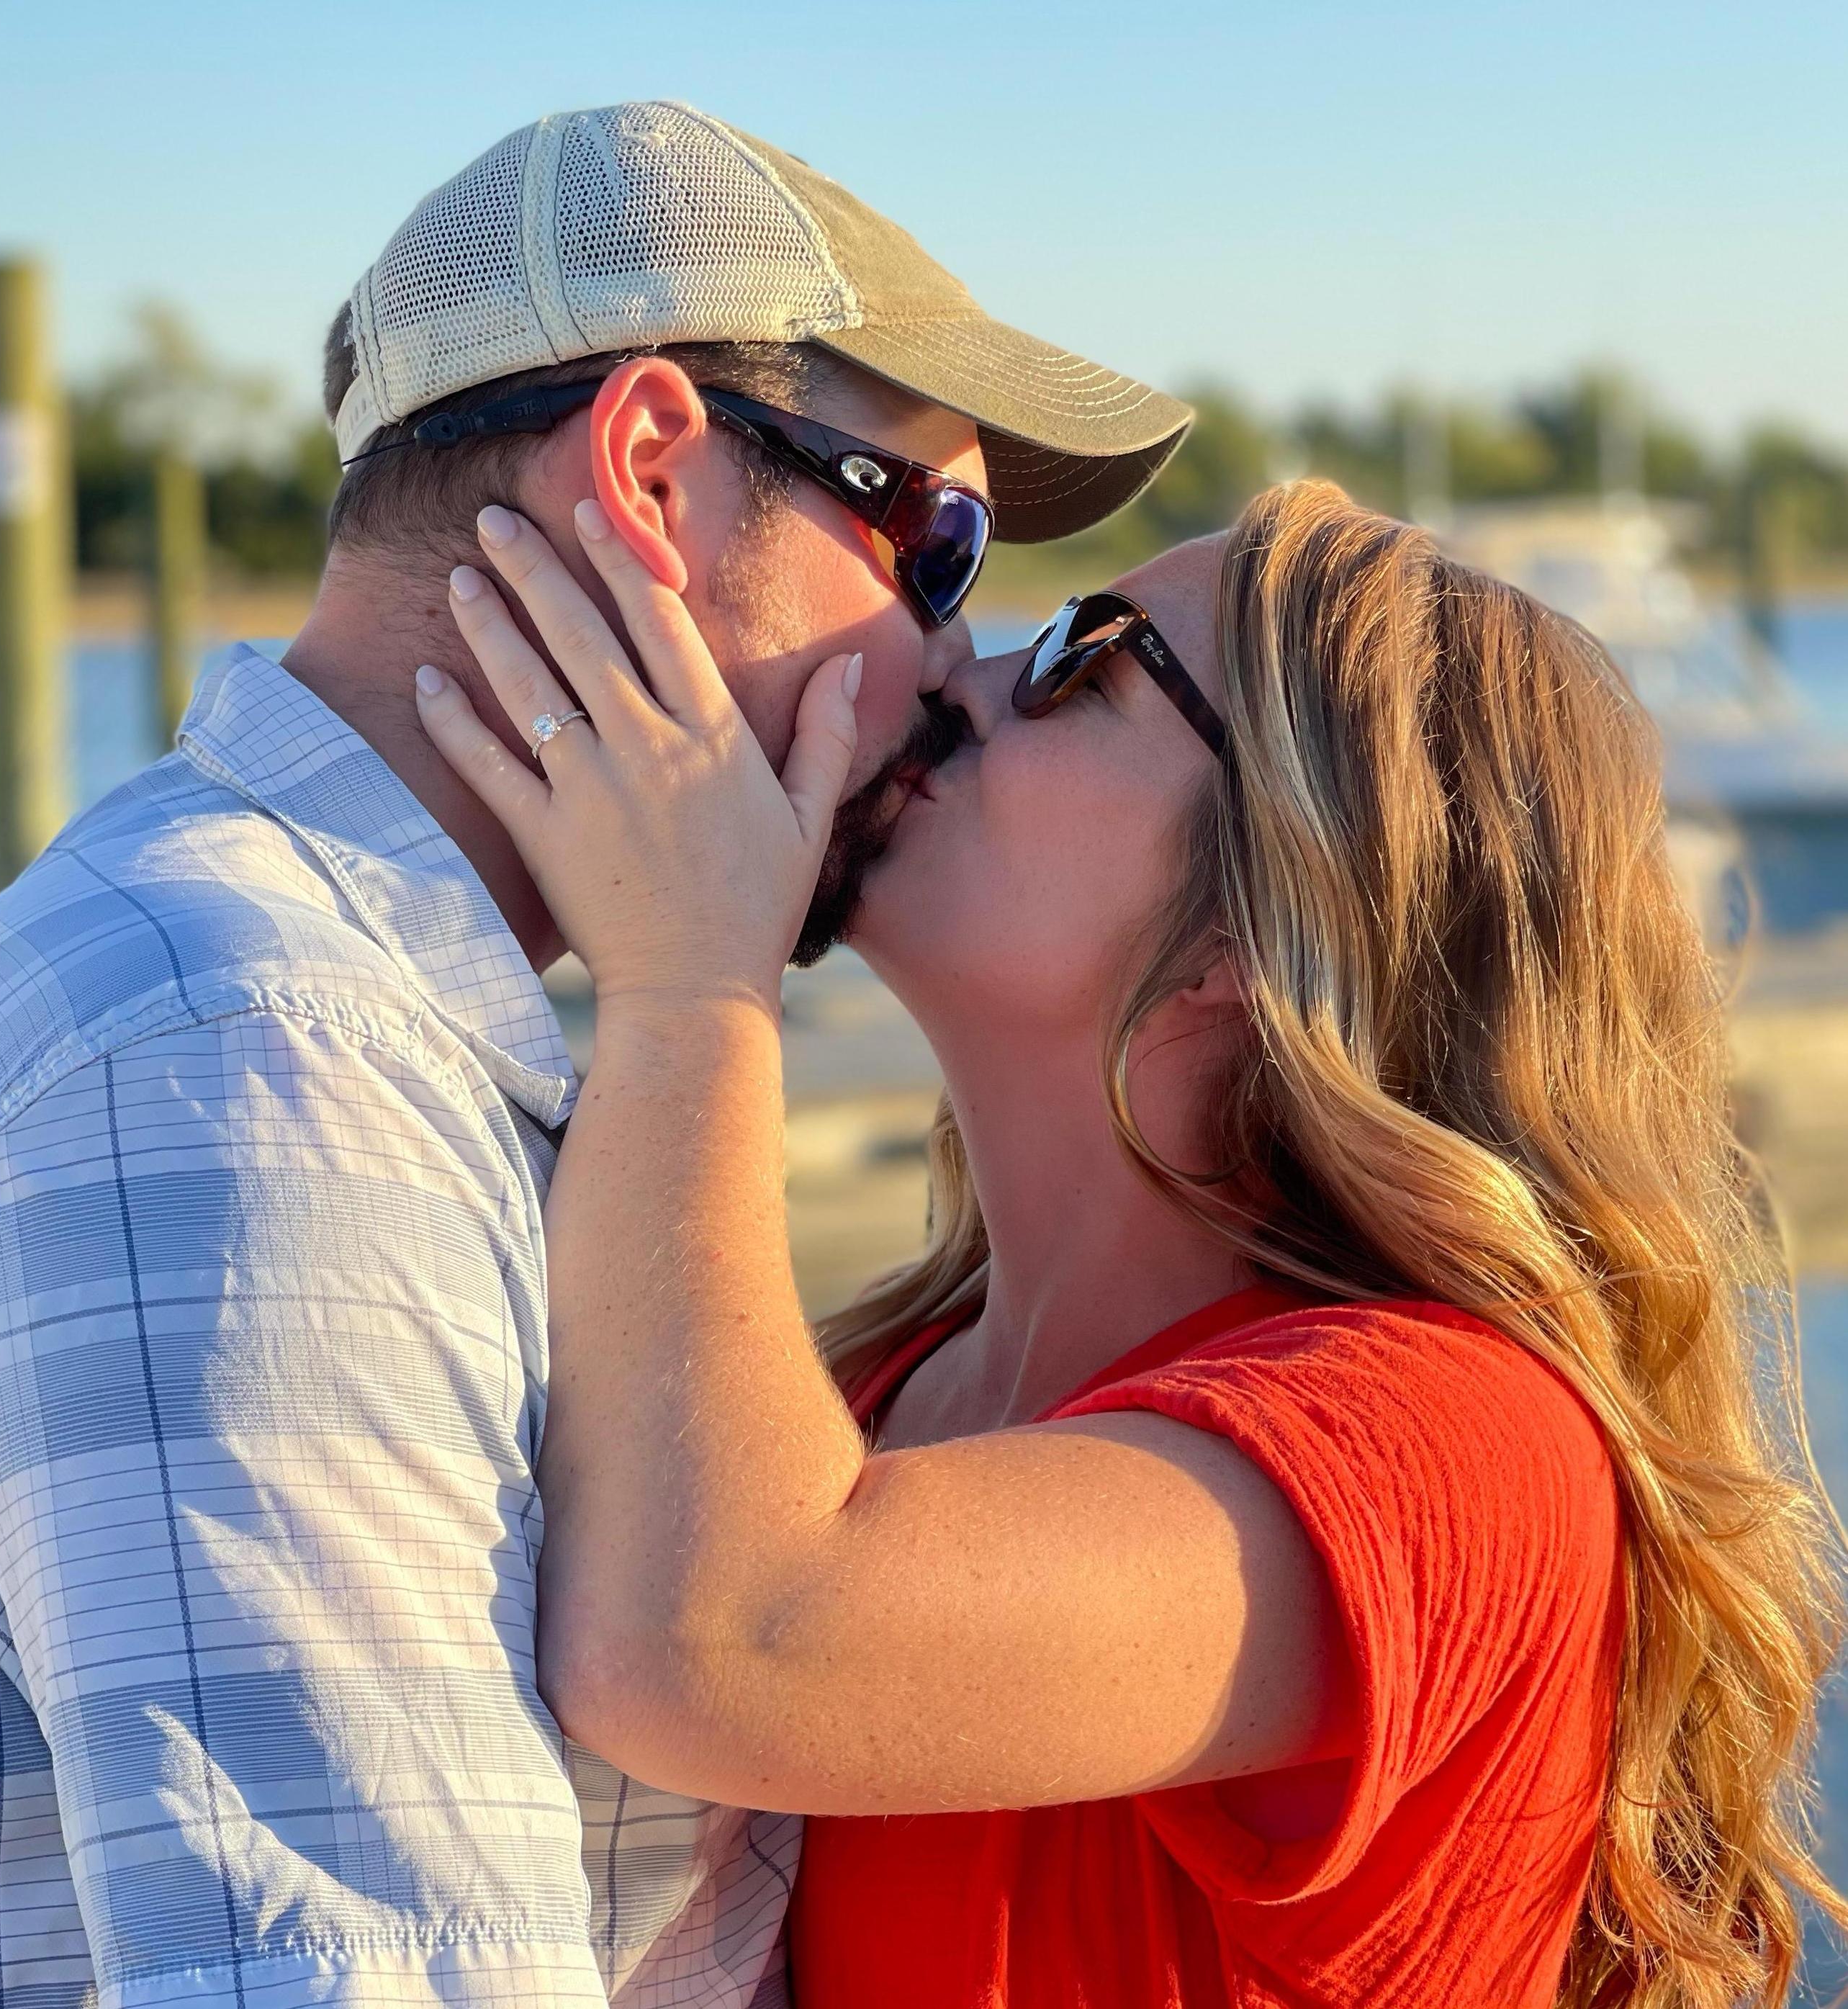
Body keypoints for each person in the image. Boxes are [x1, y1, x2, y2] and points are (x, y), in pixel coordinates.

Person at [0, 103, 1189, 2006]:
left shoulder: (313, 1012)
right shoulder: (254, 1075)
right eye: (935, 549)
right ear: (652, 475)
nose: (955, 673)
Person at [413, 477, 1848, 2007]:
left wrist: (688, 982)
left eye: (1084, 657)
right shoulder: (857, 1400)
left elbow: (718, 1641)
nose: (955, 669)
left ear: (1271, 904)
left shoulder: (1466, 1451)